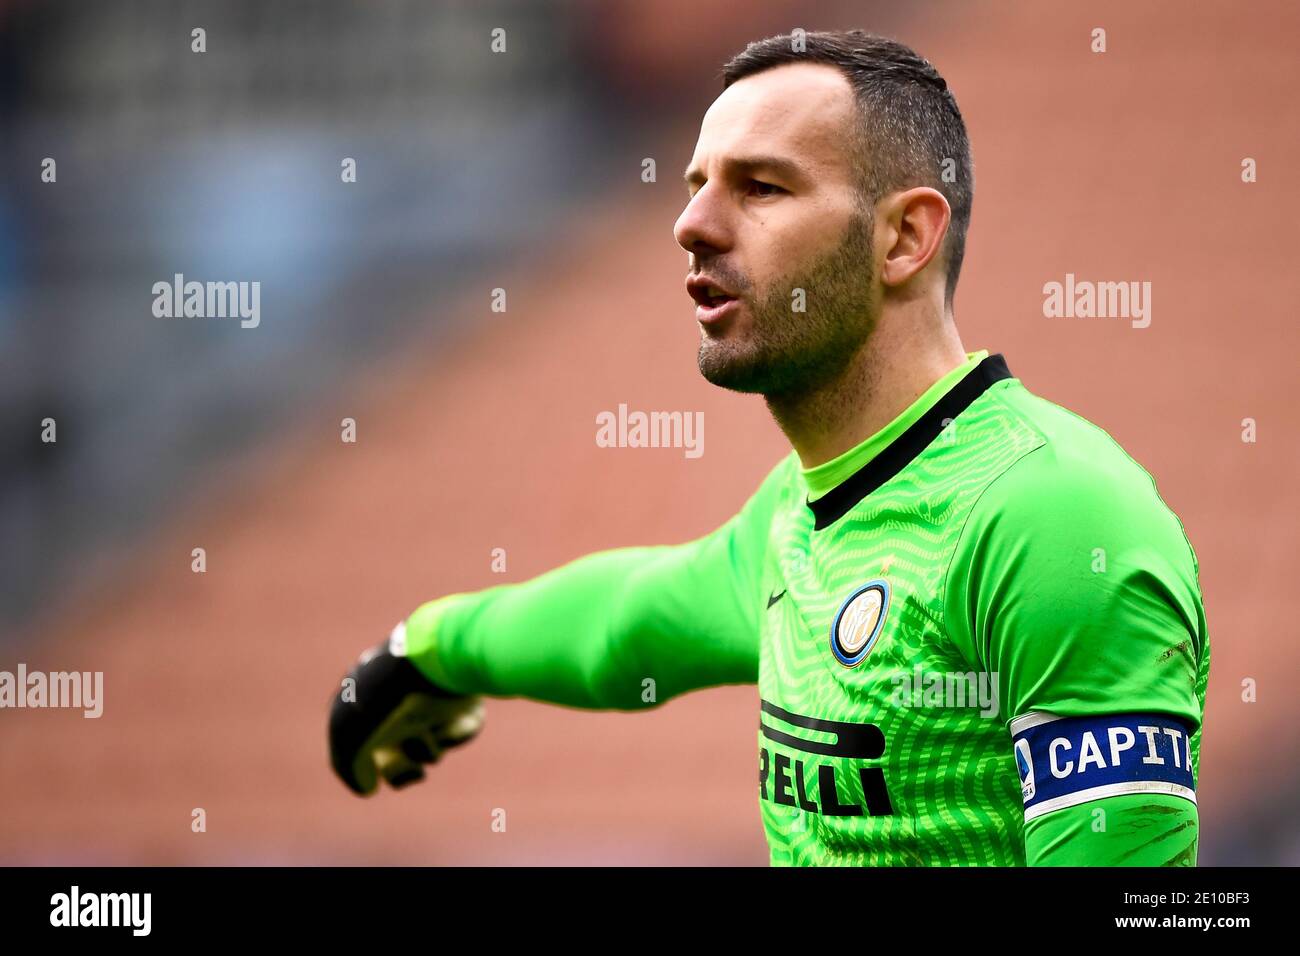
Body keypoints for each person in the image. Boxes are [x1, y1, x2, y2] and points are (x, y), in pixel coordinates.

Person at [328, 30, 1208, 866]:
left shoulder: (1049, 519)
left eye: (761, 188)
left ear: (903, 237)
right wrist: (429, 649)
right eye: (695, 183)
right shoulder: (803, 514)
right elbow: (627, 622)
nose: (693, 225)